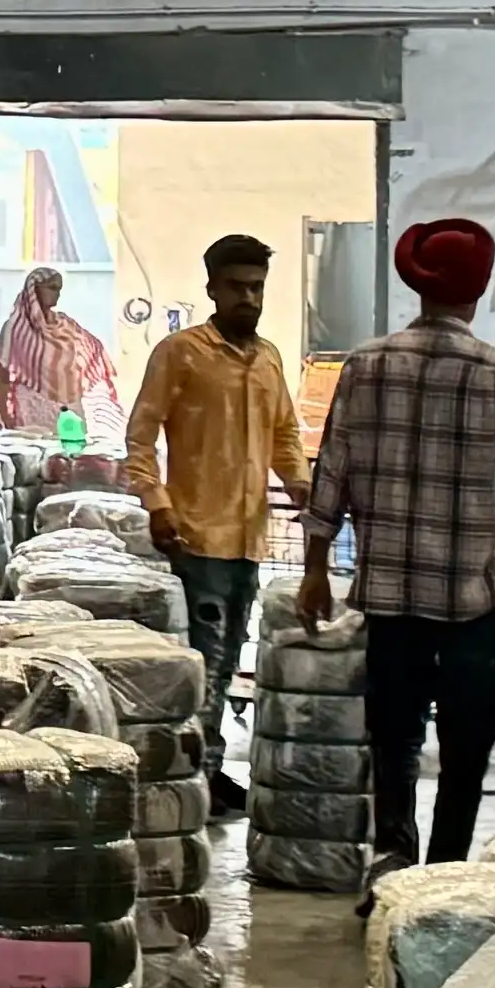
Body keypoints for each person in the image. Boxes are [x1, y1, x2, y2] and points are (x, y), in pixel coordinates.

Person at [298, 216, 495, 867]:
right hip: (473, 596)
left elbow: (330, 471)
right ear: (475, 295)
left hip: (390, 595)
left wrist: (314, 571)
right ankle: (445, 871)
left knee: (393, 738)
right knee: (468, 746)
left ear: (418, 290)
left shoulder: (365, 364)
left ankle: (392, 856)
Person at [121, 235, 305, 810]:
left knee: (226, 660)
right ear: (212, 289)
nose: (248, 297)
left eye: (257, 288)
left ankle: (209, 767)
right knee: (201, 659)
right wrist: (157, 504)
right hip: (195, 532)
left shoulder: (269, 357)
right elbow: (140, 436)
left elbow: (284, 434)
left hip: (249, 536)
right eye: (237, 287)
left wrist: (299, 481)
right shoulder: (182, 353)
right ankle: (189, 775)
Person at [0, 267, 117, 439]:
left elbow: (89, 350)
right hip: (32, 409)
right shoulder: (16, 329)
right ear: (35, 289)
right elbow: (2, 376)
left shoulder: (65, 326)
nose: (57, 294)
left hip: (69, 409)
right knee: (36, 462)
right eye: (51, 288)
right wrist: (6, 418)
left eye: (59, 289)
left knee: (72, 458)